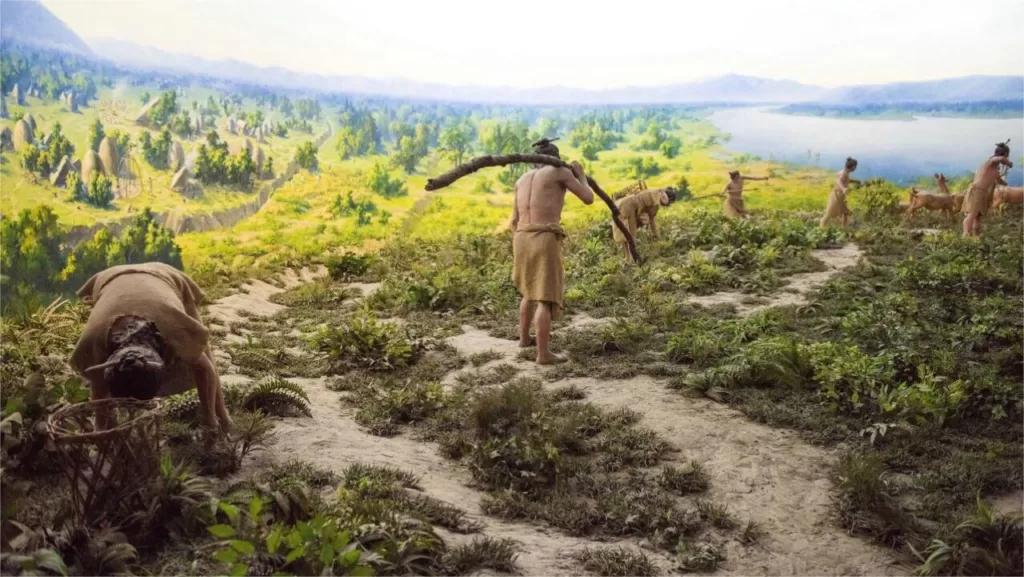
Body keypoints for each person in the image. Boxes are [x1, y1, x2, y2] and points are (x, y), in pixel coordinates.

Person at [70, 262, 232, 435]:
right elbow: (97, 379)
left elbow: (204, 367)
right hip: (110, 280)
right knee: (99, 363)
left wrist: (209, 418)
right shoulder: (93, 337)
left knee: (201, 348)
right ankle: (107, 427)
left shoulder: (173, 326)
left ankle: (223, 417)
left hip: (163, 276)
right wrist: (102, 428)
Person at [511, 140, 594, 365]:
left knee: (528, 291)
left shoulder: (521, 179)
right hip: (543, 237)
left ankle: (524, 339)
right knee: (545, 298)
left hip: (521, 237)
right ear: (555, 158)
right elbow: (588, 198)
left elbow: (513, 220)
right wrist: (580, 175)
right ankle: (543, 354)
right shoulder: (560, 172)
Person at [962, 142, 1014, 237]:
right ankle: (965, 236)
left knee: (978, 217)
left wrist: (1006, 184)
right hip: (977, 190)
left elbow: (998, 180)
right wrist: (1007, 162)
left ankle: (976, 237)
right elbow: (999, 158)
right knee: (972, 214)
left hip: (983, 193)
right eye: (1006, 155)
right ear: (1005, 154)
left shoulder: (995, 168)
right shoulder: (990, 162)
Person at [613, 187, 676, 263]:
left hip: (626, 206)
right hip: (628, 208)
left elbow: (651, 217)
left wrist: (655, 235)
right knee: (629, 235)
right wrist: (655, 235)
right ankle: (630, 259)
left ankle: (628, 258)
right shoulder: (655, 197)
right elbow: (651, 218)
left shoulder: (656, 196)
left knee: (626, 235)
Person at [820, 157, 860, 228]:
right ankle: (821, 227)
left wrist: (854, 181)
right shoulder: (844, 173)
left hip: (840, 197)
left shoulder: (844, 172)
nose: (856, 168)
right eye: (855, 167)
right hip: (837, 196)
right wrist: (843, 188)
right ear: (853, 167)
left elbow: (845, 180)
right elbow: (838, 181)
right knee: (829, 213)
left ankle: (844, 228)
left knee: (845, 212)